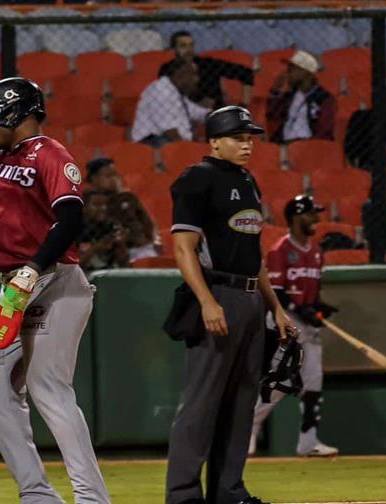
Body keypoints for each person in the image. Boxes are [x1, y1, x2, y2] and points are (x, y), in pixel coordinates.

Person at [0, 77, 111, 503]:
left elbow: (71, 220)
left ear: (12, 113)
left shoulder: (51, 154)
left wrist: (34, 269)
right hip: (13, 287)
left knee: (49, 388)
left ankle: (92, 498)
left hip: (54, 280)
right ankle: (37, 495)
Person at [165, 105, 296, 504]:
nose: (247, 144)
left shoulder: (246, 179)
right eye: (238, 137)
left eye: (250, 137)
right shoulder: (196, 179)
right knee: (201, 405)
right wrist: (206, 301)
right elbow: (182, 247)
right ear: (215, 141)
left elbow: (251, 254)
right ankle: (184, 495)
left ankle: (228, 491)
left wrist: (275, 305)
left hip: (250, 299)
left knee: (241, 403)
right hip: (218, 293)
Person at [249, 194, 340, 458]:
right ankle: (249, 428)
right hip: (284, 324)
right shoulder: (280, 250)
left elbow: (311, 293)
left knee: (313, 384)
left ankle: (308, 442)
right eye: (311, 214)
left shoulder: (316, 252)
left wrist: (320, 307)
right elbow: (276, 292)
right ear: (296, 217)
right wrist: (302, 309)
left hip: (308, 327)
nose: (316, 219)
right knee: (280, 384)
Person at [159, 30, 255, 109]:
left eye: (191, 45)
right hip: (183, 113)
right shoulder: (167, 68)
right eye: (183, 46)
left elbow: (247, 73)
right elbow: (163, 96)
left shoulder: (208, 64)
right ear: (173, 49)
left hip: (215, 114)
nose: (189, 50)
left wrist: (244, 105)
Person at [131, 58, 211, 147]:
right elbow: (170, 132)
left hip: (171, 140)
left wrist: (219, 115)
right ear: (181, 75)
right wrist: (189, 149)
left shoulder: (176, 92)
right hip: (151, 141)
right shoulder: (160, 91)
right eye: (194, 75)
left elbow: (198, 113)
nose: (197, 80)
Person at [266, 50, 336, 144]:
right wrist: (275, 91)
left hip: (308, 145)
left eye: (292, 70)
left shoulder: (324, 98)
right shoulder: (290, 95)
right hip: (283, 144)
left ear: (307, 73)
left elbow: (324, 130)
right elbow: (273, 115)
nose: (288, 74)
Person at [79, 189, 129, 271]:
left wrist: (121, 244)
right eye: (96, 204)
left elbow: (124, 264)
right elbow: (74, 267)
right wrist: (96, 248)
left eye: (105, 205)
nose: (103, 208)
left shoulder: (112, 227)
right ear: (84, 207)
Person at [108, 191, 161, 262]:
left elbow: (149, 238)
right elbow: (123, 259)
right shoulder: (116, 230)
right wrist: (122, 242)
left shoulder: (146, 224)